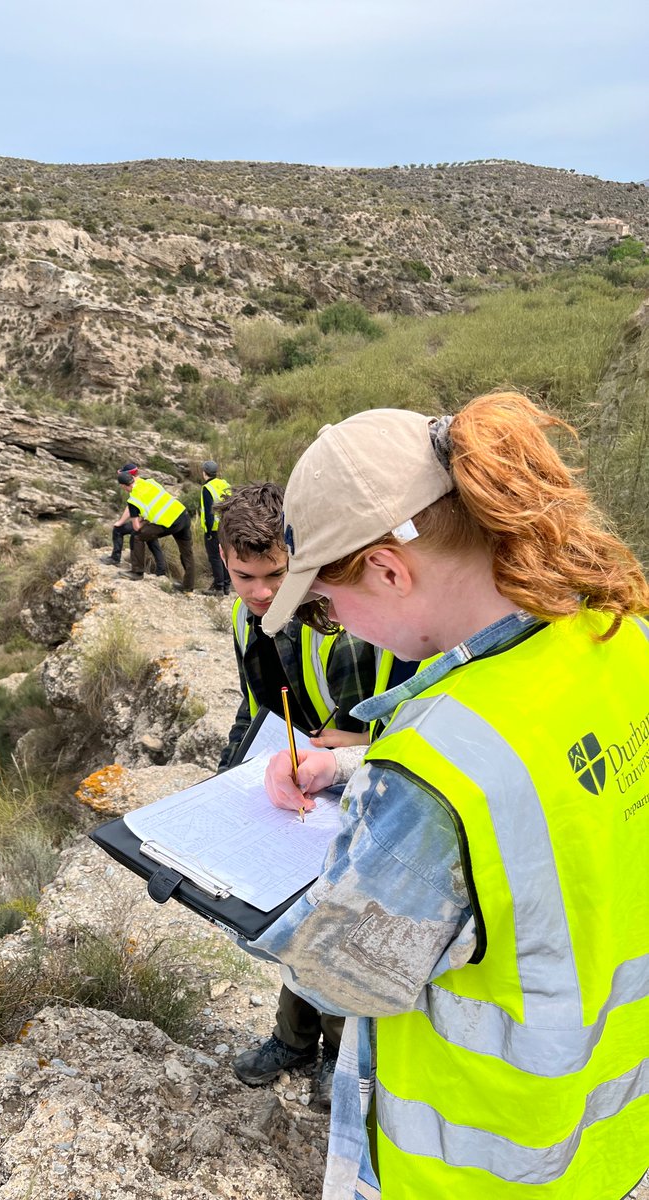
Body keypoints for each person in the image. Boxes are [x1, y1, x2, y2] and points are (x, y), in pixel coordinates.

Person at [248, 394, 649, 1200]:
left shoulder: (431, 772)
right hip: (613, 1135)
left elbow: (340, 980)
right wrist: (355, 769)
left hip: (478, 1168)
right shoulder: (620, 637)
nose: (338, 627)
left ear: (390, 571)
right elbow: (545, 799)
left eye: (326, 605)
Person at [216, 482, 376, 1107]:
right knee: (299, 918)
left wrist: (337, 749)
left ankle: (339, 1056)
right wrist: (226, 779)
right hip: (296, 776)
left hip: (350, 781)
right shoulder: (242, 617)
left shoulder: (345, 626)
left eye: (275, 575)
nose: (259, 593)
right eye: (242, 576)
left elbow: (378, 723)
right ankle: (294, 1039)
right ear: (224, 561)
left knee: (343, 922)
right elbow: (253, 706)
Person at [117, 470, 195, 592]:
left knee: (136, 536)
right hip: (182, 515)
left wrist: (144, 522)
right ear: (133, 478)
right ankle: (188, 586)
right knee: (187, 553)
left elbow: (137, 527)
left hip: (170, 523)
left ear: (123, 486)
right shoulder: (150, 482)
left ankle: (137, 572)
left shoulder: (133, 500)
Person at [102, 463, 166, 576]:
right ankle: (161, 570)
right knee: (152, 542)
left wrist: (120, 522)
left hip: (147, 520)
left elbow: (132, 507)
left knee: (123, 531)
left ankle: (116, 558)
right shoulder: (147, 482)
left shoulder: (135, 487)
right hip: (156, 520)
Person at [199, 460, 231, 596]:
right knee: (226, 556)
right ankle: (226, 586)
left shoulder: (207, 488)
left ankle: (218, 587)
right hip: (227, 526)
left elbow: (208, 512)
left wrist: (208, 531)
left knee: (215, 557)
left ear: (204, 473)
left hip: (214, 528)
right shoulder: (225, 484)